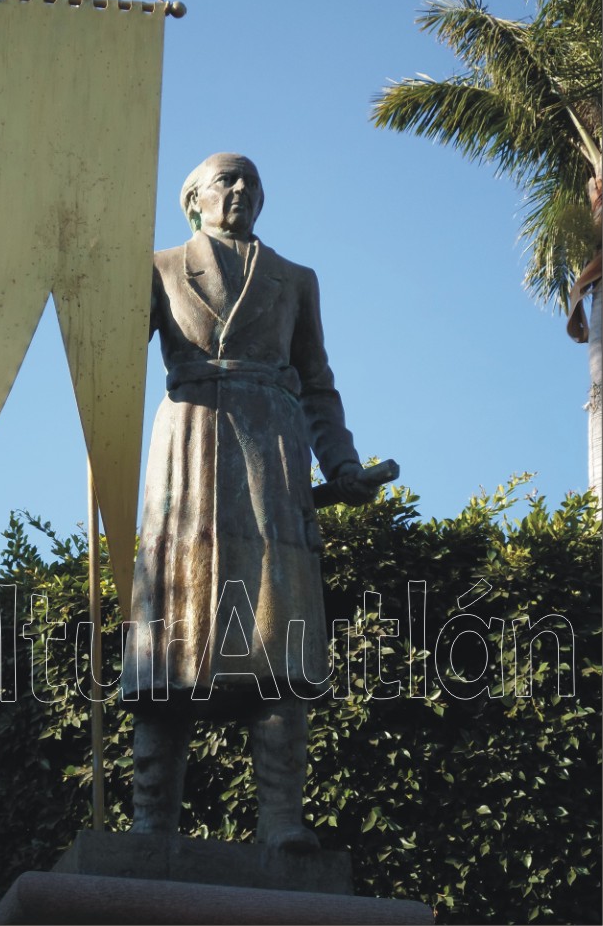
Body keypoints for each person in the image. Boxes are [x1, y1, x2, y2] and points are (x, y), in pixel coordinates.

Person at [120, 153, 379, 851]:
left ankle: (282, 821)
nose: (239, 189)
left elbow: (317, 384)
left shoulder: (295, 279)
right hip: (187, 442)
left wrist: (342, 463)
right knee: (169, 642)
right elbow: (109, 355)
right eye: (225, 179)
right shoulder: (158, 267)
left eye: (250, 180)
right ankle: (150, 824)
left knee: (277, 638)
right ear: (193, 200)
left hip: (272, 453)